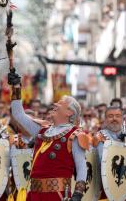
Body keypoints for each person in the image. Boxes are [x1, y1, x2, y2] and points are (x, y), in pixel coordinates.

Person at [9, 69, 89, 201]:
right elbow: (18, 114)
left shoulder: (75, 135)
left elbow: (81, 167)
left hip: (57, 196)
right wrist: (16, 87)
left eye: (61, 103)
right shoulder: (41, 130)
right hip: (34, 195)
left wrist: (78, 194)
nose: (55, 104)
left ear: (69, 112)